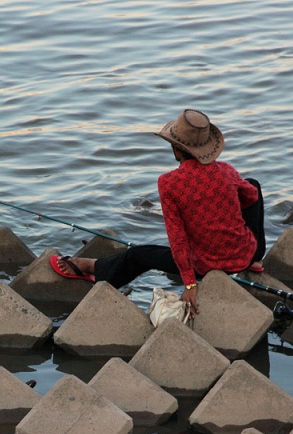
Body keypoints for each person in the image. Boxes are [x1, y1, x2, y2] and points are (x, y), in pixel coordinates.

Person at [50, 109, 265, 317]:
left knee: (138, 255)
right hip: (243, 256)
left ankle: (94, 268)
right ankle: (256, 258)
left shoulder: (169, 183)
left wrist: (190, 283)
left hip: (204, 265)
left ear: (176, 148)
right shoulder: (226, 170)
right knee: (252, 185)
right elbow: (251, 198)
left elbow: (177, 238)